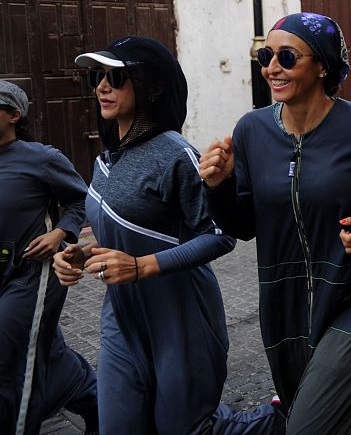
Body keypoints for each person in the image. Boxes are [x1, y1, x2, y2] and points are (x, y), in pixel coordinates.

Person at [200, 12, 351, 434]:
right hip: (282, 305)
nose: (272, 67)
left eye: (287, 56)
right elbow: (242, 225)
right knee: (310, 418)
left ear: (322, 64)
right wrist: (217, 186)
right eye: (265, 56)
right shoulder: (252, 131)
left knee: (308, 426)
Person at [52, 36, 250, 434]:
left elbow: (222, 235)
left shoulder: (176, 154)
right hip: (121, 318)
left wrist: (143, 265)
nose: (101, 87)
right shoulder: (104, 160)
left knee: (186, 428)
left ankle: (280, 419)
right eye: (97, 76)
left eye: (116, 77)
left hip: (181, 319)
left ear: (151, 87)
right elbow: (124, 233)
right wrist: (79, 252)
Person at [0, 81, 98, 435]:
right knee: (37, 347)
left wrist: (60, 233)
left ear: (15, 115)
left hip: (33, 275)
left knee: (6, 362)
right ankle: (95, 398)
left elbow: (82, 201)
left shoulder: (41, 158)